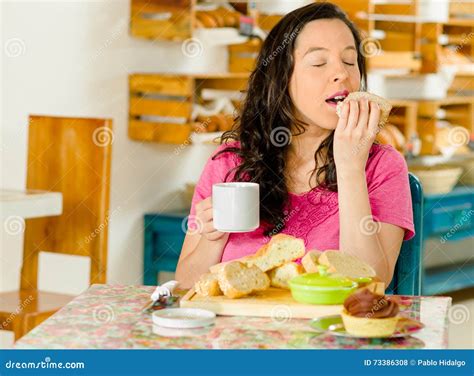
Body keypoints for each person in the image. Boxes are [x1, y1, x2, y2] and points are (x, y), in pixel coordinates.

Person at [176, 2, 414, 288]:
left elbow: (372, 282)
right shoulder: (229, 164)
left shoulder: (383, 166)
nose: (342, 73)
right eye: (318, 62)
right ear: (280, 78)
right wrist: (210, 239)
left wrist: (350, 167)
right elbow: (186, 284)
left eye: (350, 62)